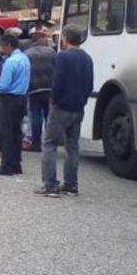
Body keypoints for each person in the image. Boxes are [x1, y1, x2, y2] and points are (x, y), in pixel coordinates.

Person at [36, 24, 94, 197]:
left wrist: (53, 99)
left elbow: (58, 82)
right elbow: (89, 84)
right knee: (72, 146)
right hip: (78, 107)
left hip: (61, 106)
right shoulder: (87, 58)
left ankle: (50, 184)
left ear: (65, 38)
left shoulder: (63, 57)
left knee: (49, 144)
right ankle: (71, 184)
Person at [0, 34, 30, 176]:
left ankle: (6, 166)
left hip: (9, 99)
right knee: (16, 132)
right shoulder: (24, 58)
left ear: (8, 46)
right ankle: (16, 163)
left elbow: (3, 86)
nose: (0, 48)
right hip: (21, 97)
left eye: (2, 45)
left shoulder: (10, 61)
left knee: (6, 133)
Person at [24, 25, 57, 152]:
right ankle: (50, 141)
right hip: (49, 88)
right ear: (42, 40)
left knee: (35, 116)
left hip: (33, 88)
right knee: (49, 116)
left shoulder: (27, 54)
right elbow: (56, 68)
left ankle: (36, 143)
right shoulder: (51, 52)